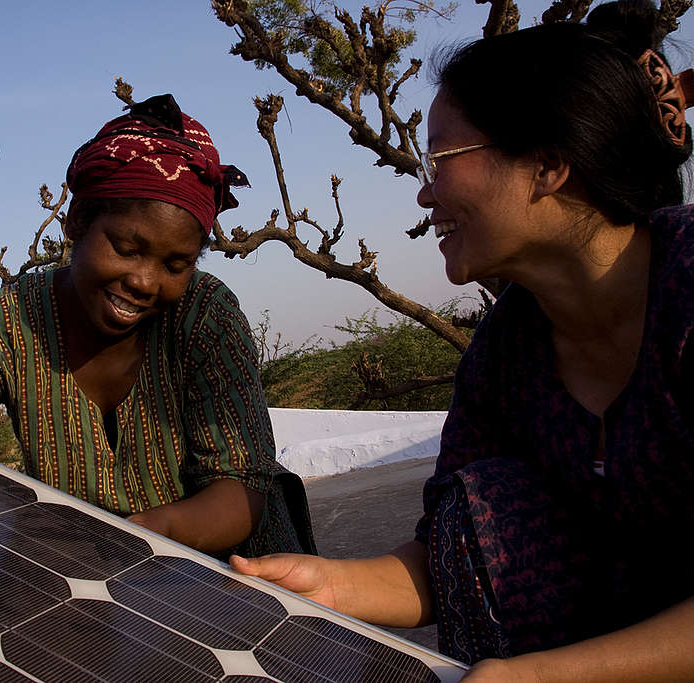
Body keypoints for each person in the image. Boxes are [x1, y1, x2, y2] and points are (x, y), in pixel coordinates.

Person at [230, 1, 694, 679]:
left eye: (441, 157)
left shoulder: (686, 284)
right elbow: (441, 559)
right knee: (474, 515)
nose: (425, 194)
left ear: (548, 163)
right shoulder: (505, 356)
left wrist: (541, 674)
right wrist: (329, 585)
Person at [0, 94, 316, 559]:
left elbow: (242, 489)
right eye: (126, 248)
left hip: (234, 580)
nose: (144, 281)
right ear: (78, 221)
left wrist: (149, 533)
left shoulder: (205, 316)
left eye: (176, 264)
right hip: (88, 584)